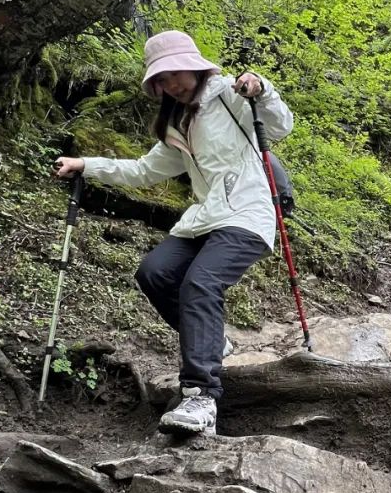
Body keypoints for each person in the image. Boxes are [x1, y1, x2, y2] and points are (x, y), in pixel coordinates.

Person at [55, 30, 293, 438]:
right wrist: (87, 164)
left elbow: (280, 124)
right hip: (204, 217)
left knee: (201, 283)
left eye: (174, 75)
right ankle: (212, 342)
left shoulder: (233, 96)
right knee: (155, 273)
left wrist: (262, 87)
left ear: (195, 67)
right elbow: (144, 171)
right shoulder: (177, 124)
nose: (170, 85)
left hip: (247, 213)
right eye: (162, 80)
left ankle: (201, 397)